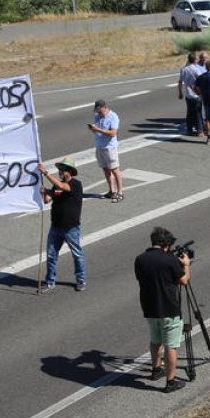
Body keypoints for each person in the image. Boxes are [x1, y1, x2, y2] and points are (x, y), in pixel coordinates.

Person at [133, 226, 191, 393]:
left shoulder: (140, 259)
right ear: (166, 244)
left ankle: (156, 370)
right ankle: (170, 382)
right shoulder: (169, 260)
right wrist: (186, 265)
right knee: (171, 346)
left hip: (149, 308)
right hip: (169, 309)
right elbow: (184, 281)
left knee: (155, 340)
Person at [38, 158, 86, 292]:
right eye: (59, 170)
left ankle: (81, 279)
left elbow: (62, 187)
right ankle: (50, 281)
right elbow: (47, 200)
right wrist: (44, 192)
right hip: (55, 227)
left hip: (71, 228)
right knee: (51, 255)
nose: (60, 172)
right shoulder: (57, 185)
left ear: (70, 171)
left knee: (77, 254)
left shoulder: (76, 184)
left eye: (63, 170)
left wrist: (46, 173)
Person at [88, 100, 123, 202]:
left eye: (100, 110)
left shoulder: (113, 116)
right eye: (97, 110)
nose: (98, 113)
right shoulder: (97, 116)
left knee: (115, 170)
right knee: (105, 169)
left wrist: (98, 130)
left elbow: (113, 133)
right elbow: (97, 129)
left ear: (105, 107)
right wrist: (93, 129)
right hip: (100, 146)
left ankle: (120, 192)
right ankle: (111, 191)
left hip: (110, 147)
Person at [177, 52, 204, 137]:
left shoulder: (183, 69)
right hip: (197, 94)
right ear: (195, 60)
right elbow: (201, 80)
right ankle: (200, 131)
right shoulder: (196, 69)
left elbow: (180, 81)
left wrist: (180, 92)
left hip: (188, 95)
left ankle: (189, 129)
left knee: (190, 113)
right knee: (198, 113)